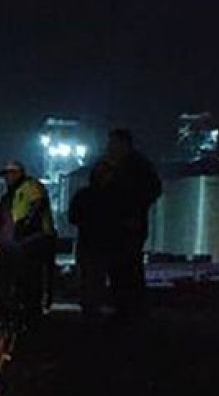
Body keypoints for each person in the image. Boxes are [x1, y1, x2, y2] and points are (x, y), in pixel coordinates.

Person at [100, 128, 161, 318]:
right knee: (122, 267)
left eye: (113, 143)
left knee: (127, 267)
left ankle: (129, 309)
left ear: (123, 144)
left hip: (128, 225)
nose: (109, 148)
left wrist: (133, 211)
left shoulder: (135, 166)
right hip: (122, 224)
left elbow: (151, 190)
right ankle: (127, 308)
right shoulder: (125, 165)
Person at [0, 161, 54, 320]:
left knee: (29, 279)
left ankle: (31, 312)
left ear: (17, 173)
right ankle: (15, 310)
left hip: (31, 240)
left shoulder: (30, 186)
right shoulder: (11, 194)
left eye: (9, 174)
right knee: (14, 278)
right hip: (15, 242)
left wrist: (26, 225)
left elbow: (38, 205)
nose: (7, 179)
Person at [69, 160, 116, 321]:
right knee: (98, 276)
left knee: (87, 276)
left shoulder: (83, 195)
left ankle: (88, 308)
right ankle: (95, 307)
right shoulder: (111, 198)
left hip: (87, 241)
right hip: (103, 242)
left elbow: (73, 217)